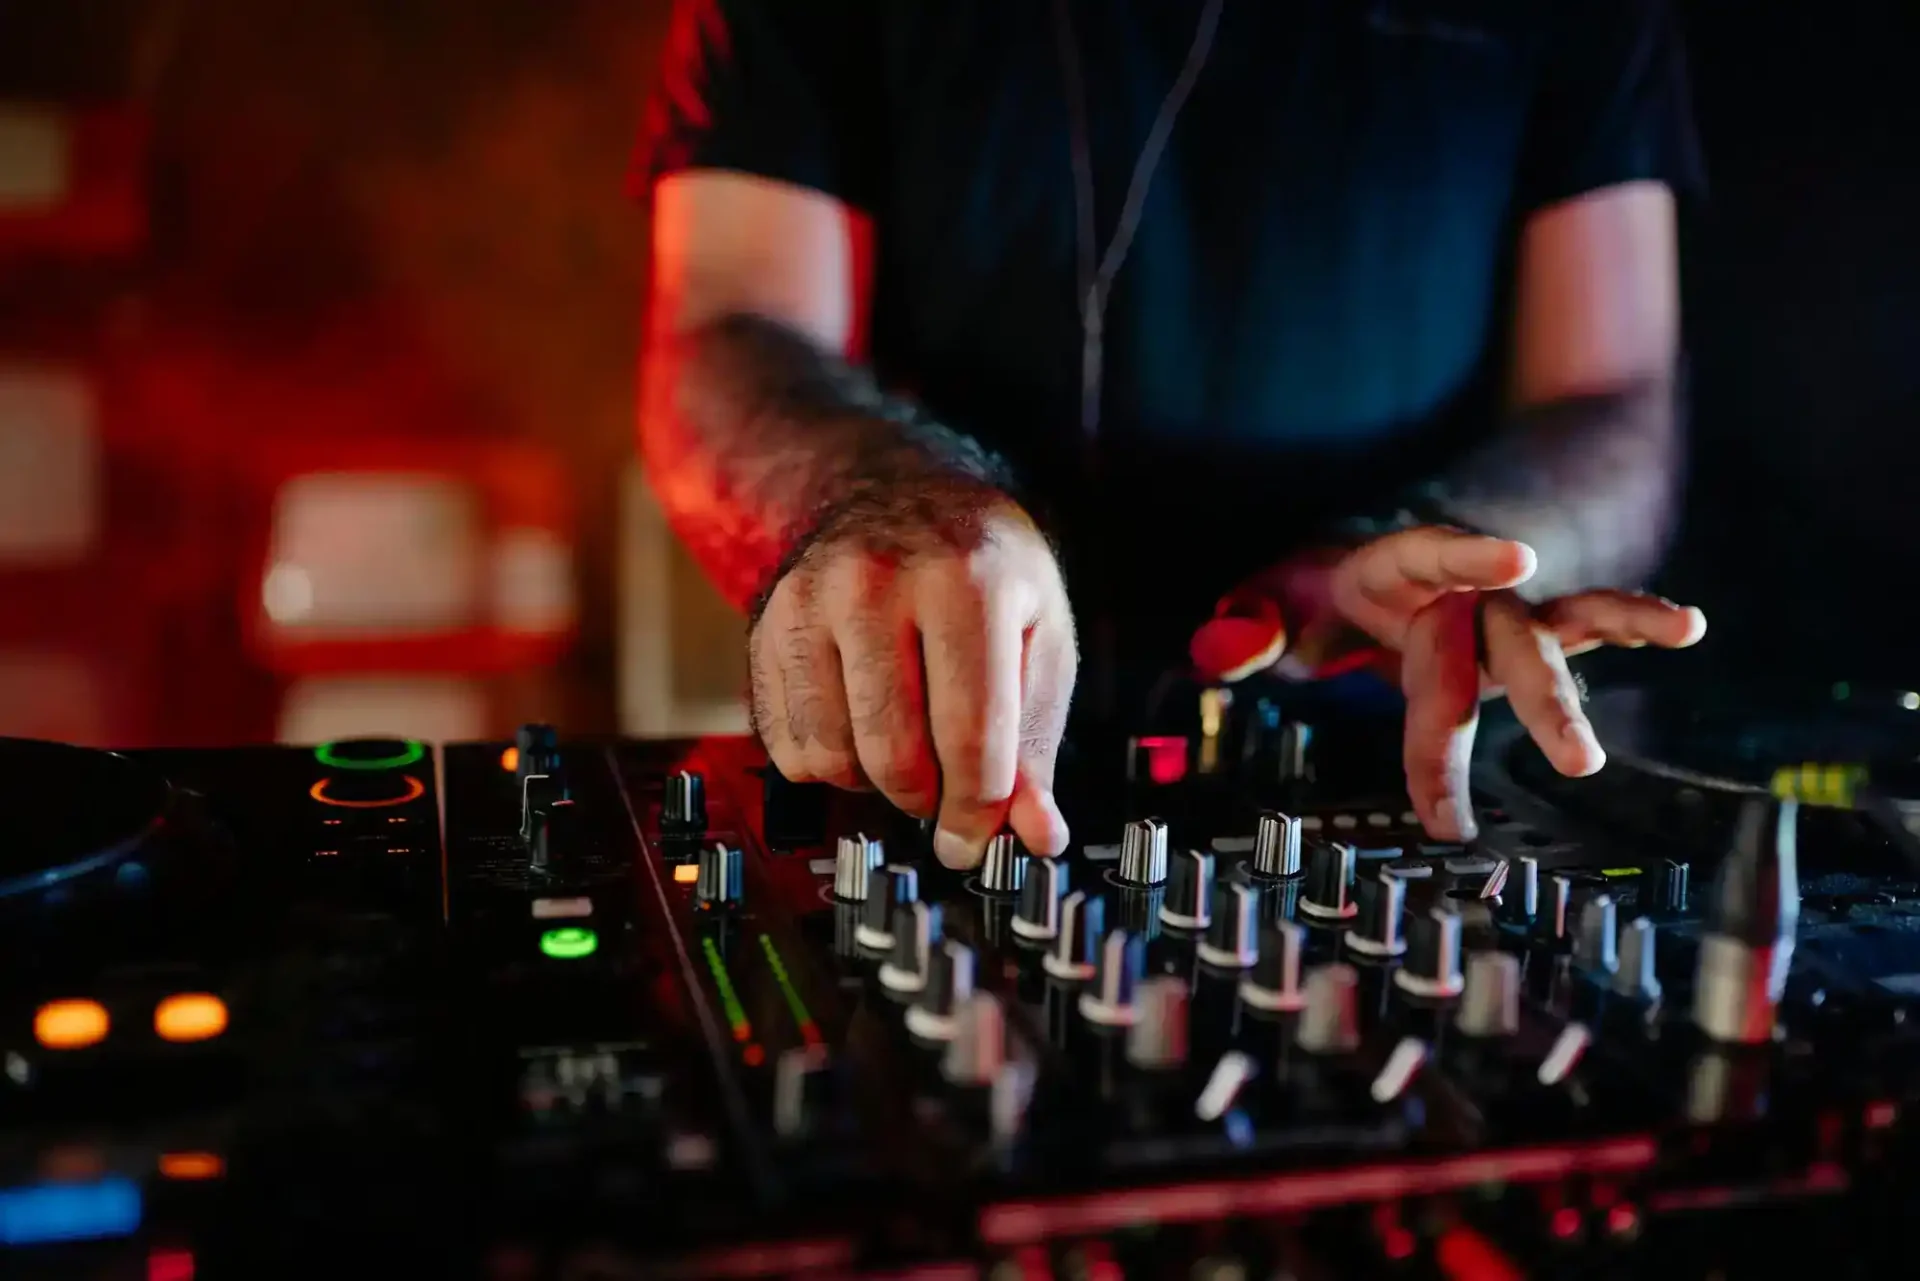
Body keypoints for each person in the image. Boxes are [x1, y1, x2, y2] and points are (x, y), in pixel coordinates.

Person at [635, 0, 1710, 871]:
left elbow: (1613, 396)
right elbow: (731, 325)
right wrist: (897, 503)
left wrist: (1464, 543)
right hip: (948, 743)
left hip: (1399, 745)